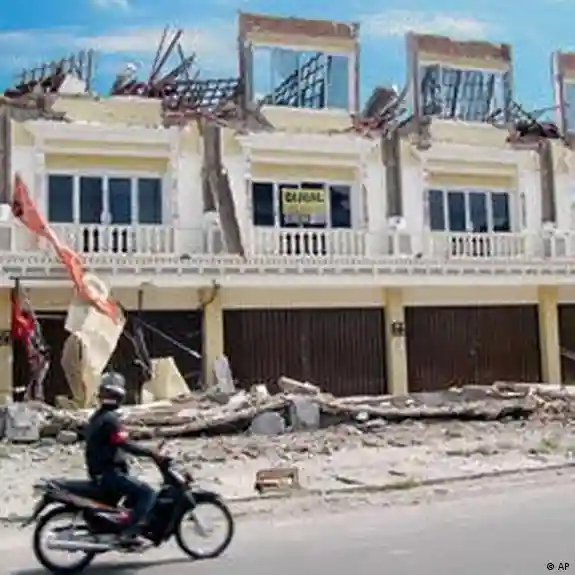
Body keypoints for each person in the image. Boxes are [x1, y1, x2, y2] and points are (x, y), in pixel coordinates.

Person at [84, 371, 166, 544]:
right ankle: (129, 533)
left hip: (99, 472)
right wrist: (151, 453)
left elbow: (117, 441)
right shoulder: (111, 420)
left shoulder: (98, 417)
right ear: (120, 396)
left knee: (133, 495)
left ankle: (124, 523)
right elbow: (124, 444)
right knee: (147, 493)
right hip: (110, 475)